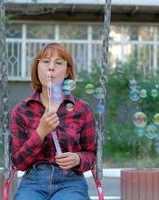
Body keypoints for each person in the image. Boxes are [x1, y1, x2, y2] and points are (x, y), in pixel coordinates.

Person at [10, 43, 96, 200]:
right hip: (33, 182)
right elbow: (18, 162)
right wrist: (40, 133)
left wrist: (77, 159)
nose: (51, 68)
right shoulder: (22, 110)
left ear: (67, 71)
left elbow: (91, 154)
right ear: (37, 68)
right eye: (45, 61)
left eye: (58, 63)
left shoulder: (82, 109)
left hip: (71, 182)